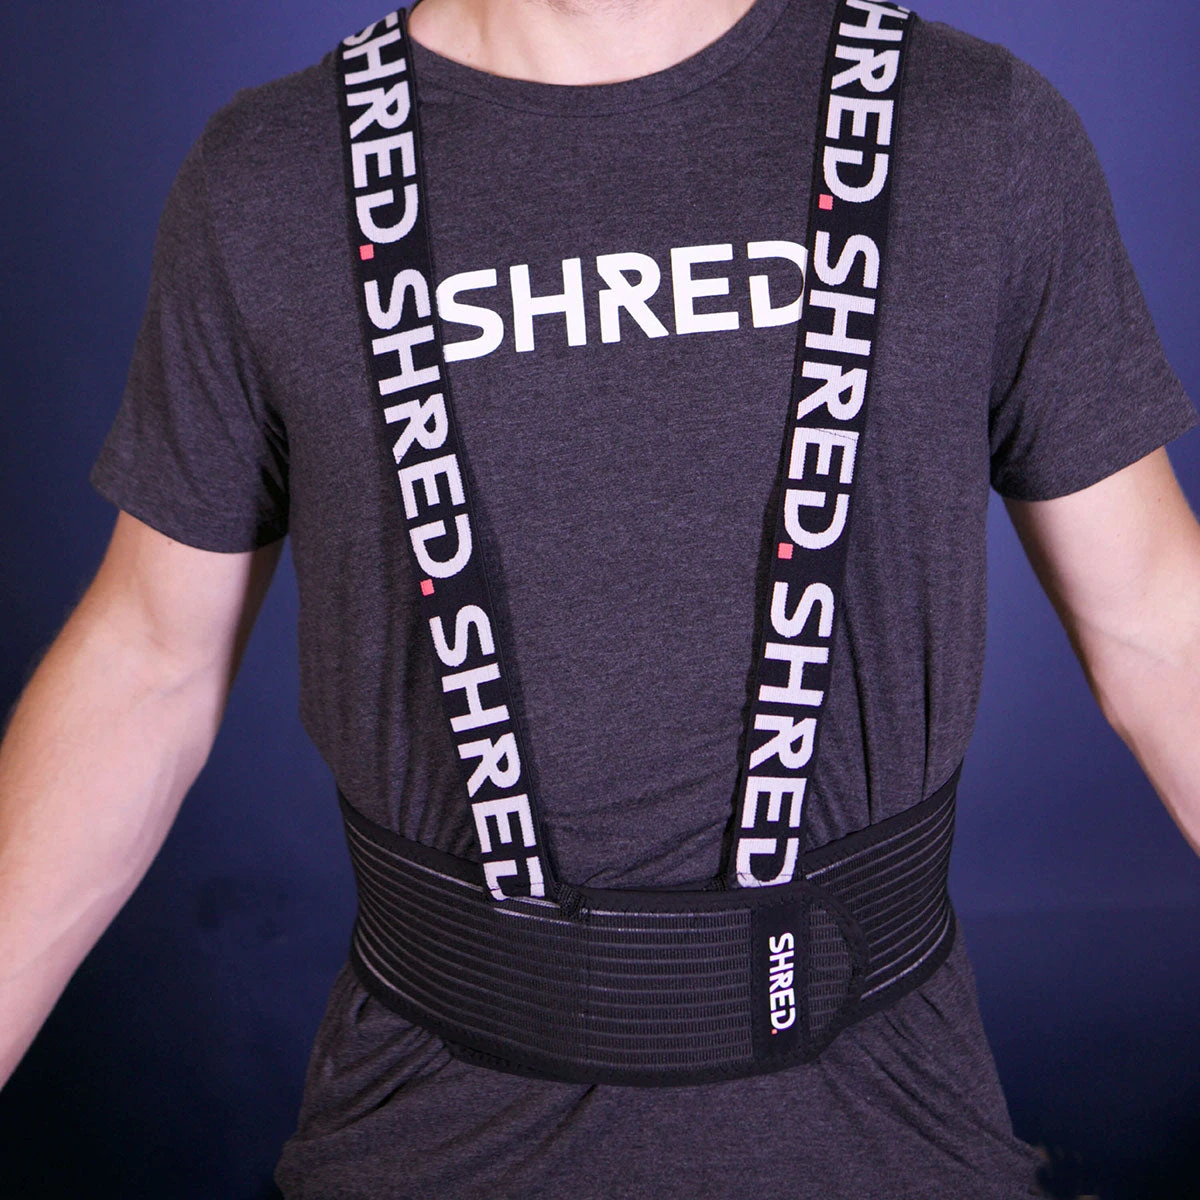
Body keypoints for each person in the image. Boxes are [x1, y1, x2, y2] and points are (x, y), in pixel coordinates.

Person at [1, 0, 1197, 1195]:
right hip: (426, 1148)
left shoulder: (972, 128)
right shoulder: (267, 178)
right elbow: (148, 664)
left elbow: (1159, 629)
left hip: (895, 1139)